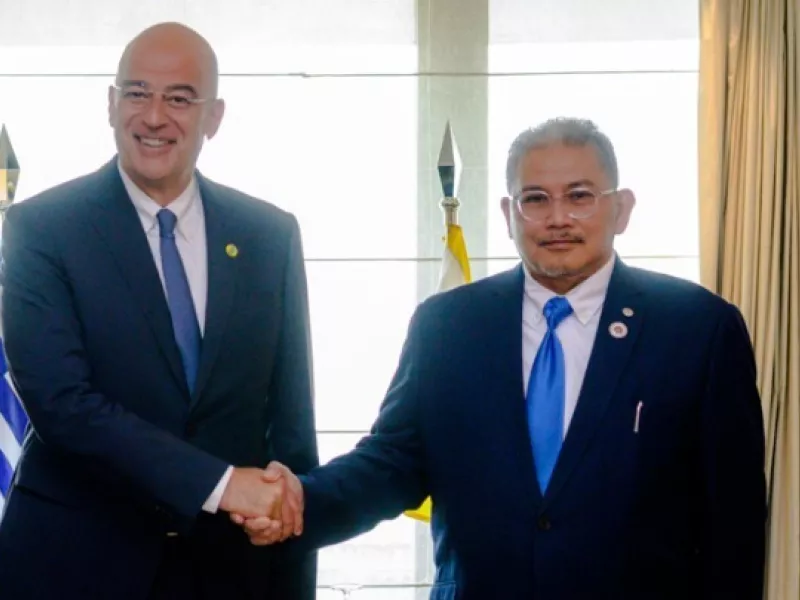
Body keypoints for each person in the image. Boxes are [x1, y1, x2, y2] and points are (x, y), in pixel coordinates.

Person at [240, 118, 767, 599]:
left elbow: (734, 521)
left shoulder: (697, 327)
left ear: (621, 208)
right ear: (508, 214)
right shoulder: (448, 325)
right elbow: (393, 463)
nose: (557, 218)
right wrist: (299, 502)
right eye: (535, 199)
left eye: (580, 196)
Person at [0, 22, 316, 600]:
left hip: (231, 570)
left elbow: (291, 427)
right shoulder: (41, 230)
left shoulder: (269, 235)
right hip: (76, 565)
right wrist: (222, 485)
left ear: (213, 117)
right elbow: (62, 405)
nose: (153, 116)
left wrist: (289, 538)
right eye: (137, 93)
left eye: (179, 98)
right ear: (111, 103)